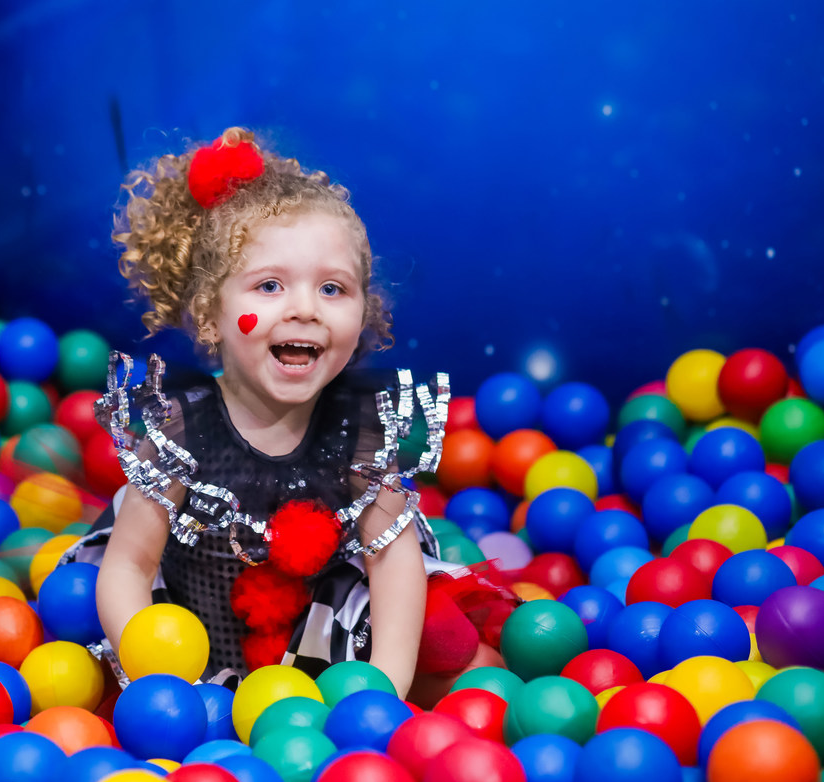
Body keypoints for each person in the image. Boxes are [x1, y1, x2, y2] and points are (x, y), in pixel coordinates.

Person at [63, 127, 515, 705]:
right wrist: (155, 680)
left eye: (333, 288)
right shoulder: (182, 433)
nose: (304, 308)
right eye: (270, 285)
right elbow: (128, 567)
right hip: (192, 667)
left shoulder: (361, 433)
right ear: (210, 315)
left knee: (443, 638)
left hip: (321, 664)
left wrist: (381, 691)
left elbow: (395, 570)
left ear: (364, 312)